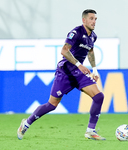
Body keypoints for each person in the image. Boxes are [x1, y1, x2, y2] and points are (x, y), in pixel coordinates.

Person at [17, 9, 106, 140]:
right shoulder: (75, 32)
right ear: (84, 20)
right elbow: (64, 51)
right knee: (52, 105)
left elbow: (90, 51)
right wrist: (79, 65)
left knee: (99, 96)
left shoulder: (93, 36)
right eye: (91, 19)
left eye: (95, 19)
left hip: (79, 73)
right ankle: (26, 123)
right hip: (65, 71)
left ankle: (90, 131)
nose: (94, 22)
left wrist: (95, 69)